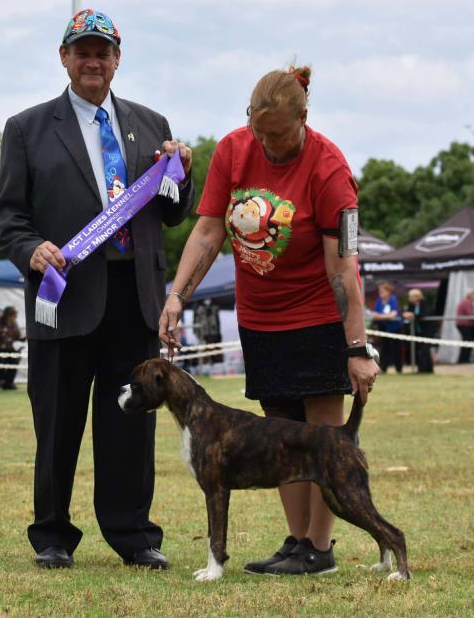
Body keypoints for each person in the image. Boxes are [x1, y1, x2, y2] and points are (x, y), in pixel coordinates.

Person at [0, 7, 195, 571]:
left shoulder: (151, 124)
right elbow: (9, 218)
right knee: (57, 424)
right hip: (64, 296)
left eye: (103, 52)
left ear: (117, 59)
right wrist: (31, 248)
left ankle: (134, 535)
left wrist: (183, 174)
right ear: (64, 57)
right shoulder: (27, 129)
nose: (93, 61)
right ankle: (53, 535)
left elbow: (173, 213)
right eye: (82, 51)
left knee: (131, 421)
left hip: (135, 297)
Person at [159, 64, 379, 576]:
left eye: (278, 134)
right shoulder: (233, 150)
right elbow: (208, 232)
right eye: (260, 131)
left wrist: (355, 347)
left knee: (321, 436)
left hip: (317, 317)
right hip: (260, 319)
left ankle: (319, 548)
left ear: (304, 117)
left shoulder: (330, 168)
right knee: (281, 435)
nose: (268, 144)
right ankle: (296, 540)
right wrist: (176, 295)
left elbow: (343, 267)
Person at [371, 281, 404, 374]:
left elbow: (393, 315)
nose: (380, 293)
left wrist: (381, 316)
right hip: (383, 328)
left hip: (395, 328)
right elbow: (374, 315)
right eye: (380, 291)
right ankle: (383, 368)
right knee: (384, 348)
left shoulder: (393, 300)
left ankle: (399, 369)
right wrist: (386, 316)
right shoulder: (378, 301)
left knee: (396, 348)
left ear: (388, 291)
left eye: (382, 291)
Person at [402, 288, 434, 373]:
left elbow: (425, 314)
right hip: (416, 332)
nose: (409, 298)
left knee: (425, 350)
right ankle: (425, 369)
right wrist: (406, 314)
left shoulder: (424, 304)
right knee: (419, 350)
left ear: (416, 297)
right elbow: (406, 313)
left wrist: (413, 315)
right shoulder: (411, 305)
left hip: (426, 331)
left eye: (411, 296)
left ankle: (424, 370)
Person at [455, 290, 474, 364]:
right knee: (467, 341)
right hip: (464, 325)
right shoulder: (467, 302)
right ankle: (463, 359)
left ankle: (464, 359)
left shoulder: (466, 302)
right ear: (471, 296)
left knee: (467, 341)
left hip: (464, 325)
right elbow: (470, 314)